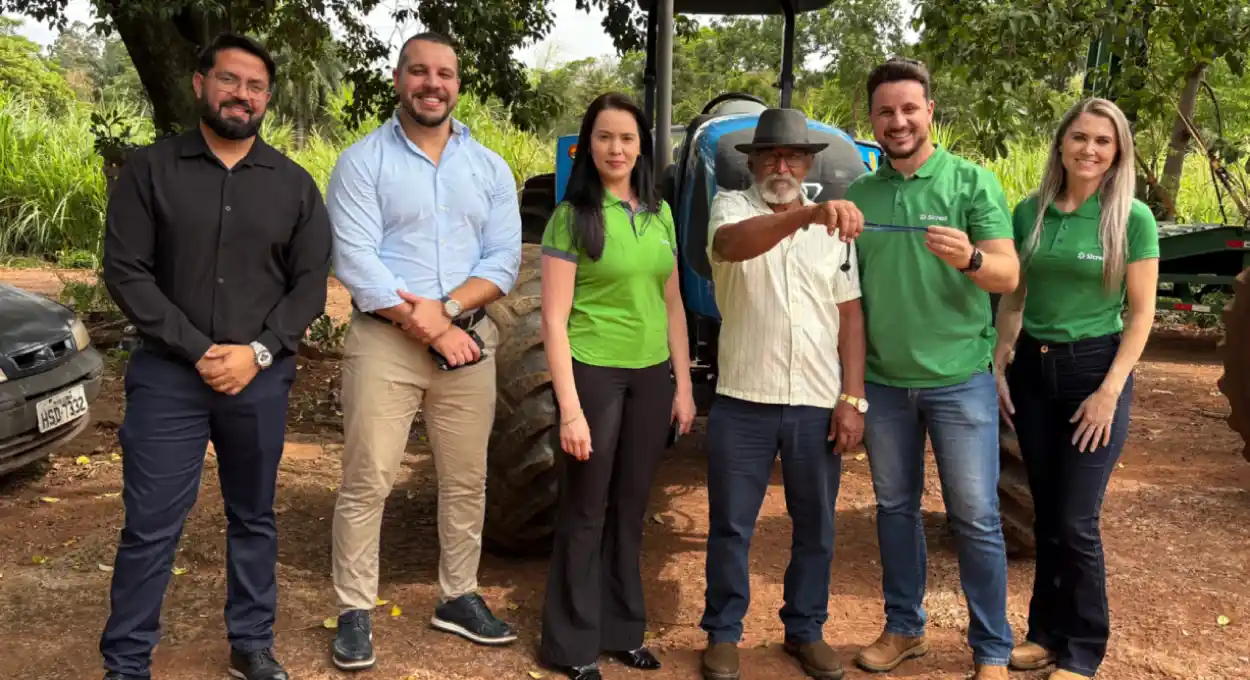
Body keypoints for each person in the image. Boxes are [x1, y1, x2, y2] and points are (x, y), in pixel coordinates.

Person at [99, 33, 331, 680]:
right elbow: (127, 271)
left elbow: (310, 284)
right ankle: (127, 662)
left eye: (256, 87)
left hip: (258, 378)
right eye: (230, 80)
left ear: (267, 99)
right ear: (200, 83)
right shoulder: (151, 170)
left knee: (253, 516)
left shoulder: (293, 185)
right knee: (151, 524)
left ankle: (251, 642)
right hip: (169, 378)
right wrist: (201, 350)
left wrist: (258, 351)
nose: (242, 95)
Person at [323, 31, 522, 671]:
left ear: (457, 84)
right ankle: (355, 608)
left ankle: (457, 595)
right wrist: (433, 328)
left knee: (466, 480)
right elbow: (356, 262)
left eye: (444, 74)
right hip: (385, 342)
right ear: (398, 79)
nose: (432, 84)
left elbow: (504, 260)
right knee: (368, 479)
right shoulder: (362, 162)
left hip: (469, 342)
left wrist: (451, 311)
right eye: (419, 71)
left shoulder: (489, 167)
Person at [845, 58, 1020, 680]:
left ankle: (992, 649)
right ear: (872, 120)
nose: (898, 122)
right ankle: (904, 628)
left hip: (959, 380)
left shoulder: (971, 183)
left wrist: (971, 258)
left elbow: (1007, 273)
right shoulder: (858, 198)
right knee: (895, 510)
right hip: (885, 383)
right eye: (885, 112)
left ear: (929, 112)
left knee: (976, 518)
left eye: (909, 109)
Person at [698, 107, 867, 680]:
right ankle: (724, 633)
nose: (781, 166)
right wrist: (806, 216)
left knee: (815, 526)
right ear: (752, 164)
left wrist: (853, 397)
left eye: (793, 156)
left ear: (808, 164)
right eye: (770, 156)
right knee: (731, 525)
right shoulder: (731, 208)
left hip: (816, 400)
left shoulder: (833, 231)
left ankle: (805, 630)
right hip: (744, 397)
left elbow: (850, 315)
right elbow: (731, 246)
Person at [993, 98, 1158, 680]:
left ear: (1117, 153)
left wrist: (1110, 390)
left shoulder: (1131, 218)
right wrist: (1000, 355)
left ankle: (1083, 651)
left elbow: (1141, 315)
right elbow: (1014, 296)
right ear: (1061, 143)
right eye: (1080, 137)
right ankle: (1044, 635)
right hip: (1033, 375)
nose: (1090, 149)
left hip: (1094, 373)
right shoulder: (1030, 211)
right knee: (1046, 513)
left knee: (1076, 519)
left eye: (1103, 141)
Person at [536, 92, 697, 680]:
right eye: (604, 137)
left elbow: (672, 304)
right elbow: (554, 319)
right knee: (586, 508)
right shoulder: (571, 216)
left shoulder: (660, 213)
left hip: (651, 376)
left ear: (642, 147)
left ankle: (623, 630)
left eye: (627, 138)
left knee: (631, 507)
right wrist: (570, 410)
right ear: (589, 144)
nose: (616, 148)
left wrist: (683, 385)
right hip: (594, 372)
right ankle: (572, 644)